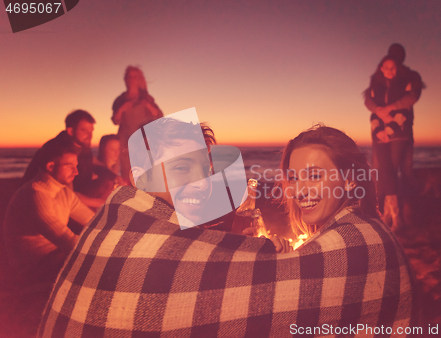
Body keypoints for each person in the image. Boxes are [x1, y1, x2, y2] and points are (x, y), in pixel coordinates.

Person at [39, 123, 417, 337]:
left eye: (314, 176)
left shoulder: (113, 219)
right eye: (200, 168)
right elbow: (267, 281)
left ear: (351, 180)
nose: (299, 189)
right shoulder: (366, 240)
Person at [3, 142, 94, 336]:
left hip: (54, 257)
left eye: (76, 166)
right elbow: (70, 242)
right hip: (31, 268)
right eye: (70, 166)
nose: (76, 172)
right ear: (50, 166)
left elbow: (93, 223)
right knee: (91, 262)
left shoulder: (62, 192)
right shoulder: (35, 195)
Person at [364, 45, 424, 232]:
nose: (391, 68)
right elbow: (370, 101)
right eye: (387, 64)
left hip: (400, 132)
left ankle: (403, 214)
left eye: (394, 64)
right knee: (382, 171)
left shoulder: (407, 77)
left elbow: (410, 100)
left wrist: (389, 113)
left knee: (400, 171)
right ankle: (387, 213)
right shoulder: (378, 82)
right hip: (381, 132)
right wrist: (378, 114)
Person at [22, 110, 107, 209]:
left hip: (74, 192)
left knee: (108, 184)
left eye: (91, 131)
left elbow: (93, 162)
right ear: (70, 131)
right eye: (84, 130)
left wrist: (114, 177)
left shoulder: (82, 146)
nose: (90, 136)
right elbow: (64, 192)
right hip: (42, 200)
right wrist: (100, 203)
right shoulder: (58, 150)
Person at [112, 66, 163, 185]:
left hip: (142, 137)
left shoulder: (146, 98)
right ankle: (128, 192)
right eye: (129, 77)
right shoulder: (120, 99)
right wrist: (122, 109)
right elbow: (116, 120)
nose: (132, 80)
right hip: (125, 138)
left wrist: (148, 106)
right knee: (126, 169)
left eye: (135, 77)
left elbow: (159, 116)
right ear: (125, 79)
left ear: (139, 79)